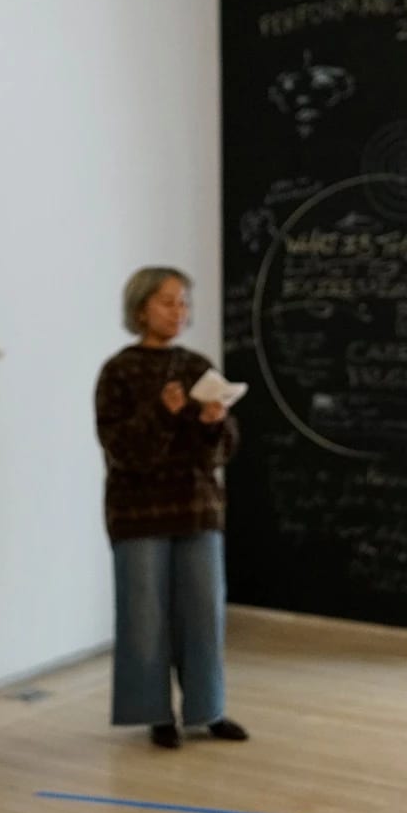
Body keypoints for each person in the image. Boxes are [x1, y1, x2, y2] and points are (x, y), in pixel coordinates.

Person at [93, 265, 248, 749]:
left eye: (183, 302)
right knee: (144, 616)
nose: (178, 311)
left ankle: (209, 709)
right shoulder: (118, 371)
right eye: (167, 302)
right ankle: (155, 713)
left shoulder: (198, 364)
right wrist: (162, 412)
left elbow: (221, 452)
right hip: (137, 514)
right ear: (141, 308)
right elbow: (121, 448)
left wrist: (211, 422)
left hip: (197, 509)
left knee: (204, 614)